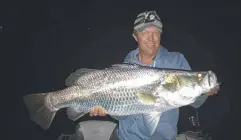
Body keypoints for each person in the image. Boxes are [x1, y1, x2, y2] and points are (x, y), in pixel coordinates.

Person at [88, 10, 218, 140]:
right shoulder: (126, 67)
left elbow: (195, 103)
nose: (151, 38)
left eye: (156, 33)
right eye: (145, 33)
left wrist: (203, 92)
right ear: (135, 36)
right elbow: (123, 115)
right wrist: (107, 109)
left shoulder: (176, 61)